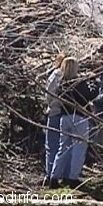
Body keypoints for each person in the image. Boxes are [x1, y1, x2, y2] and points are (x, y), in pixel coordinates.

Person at [49, 57, 98, 189]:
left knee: (63, 147)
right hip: (79, 118)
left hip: (64, 118)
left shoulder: (61, 84)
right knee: (79, 148)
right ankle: (73, 178)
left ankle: (54, 177)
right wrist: (93, 81)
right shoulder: (79, 83)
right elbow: (91, 94)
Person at [43, 53, 66, 185]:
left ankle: (50, 173)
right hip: (63, 113)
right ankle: (57, 174)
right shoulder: (64, 76)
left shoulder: (55, 75)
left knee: (52, 146)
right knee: (61, 146)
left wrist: (52, 104)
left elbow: (49, 94)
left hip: (54, 113)